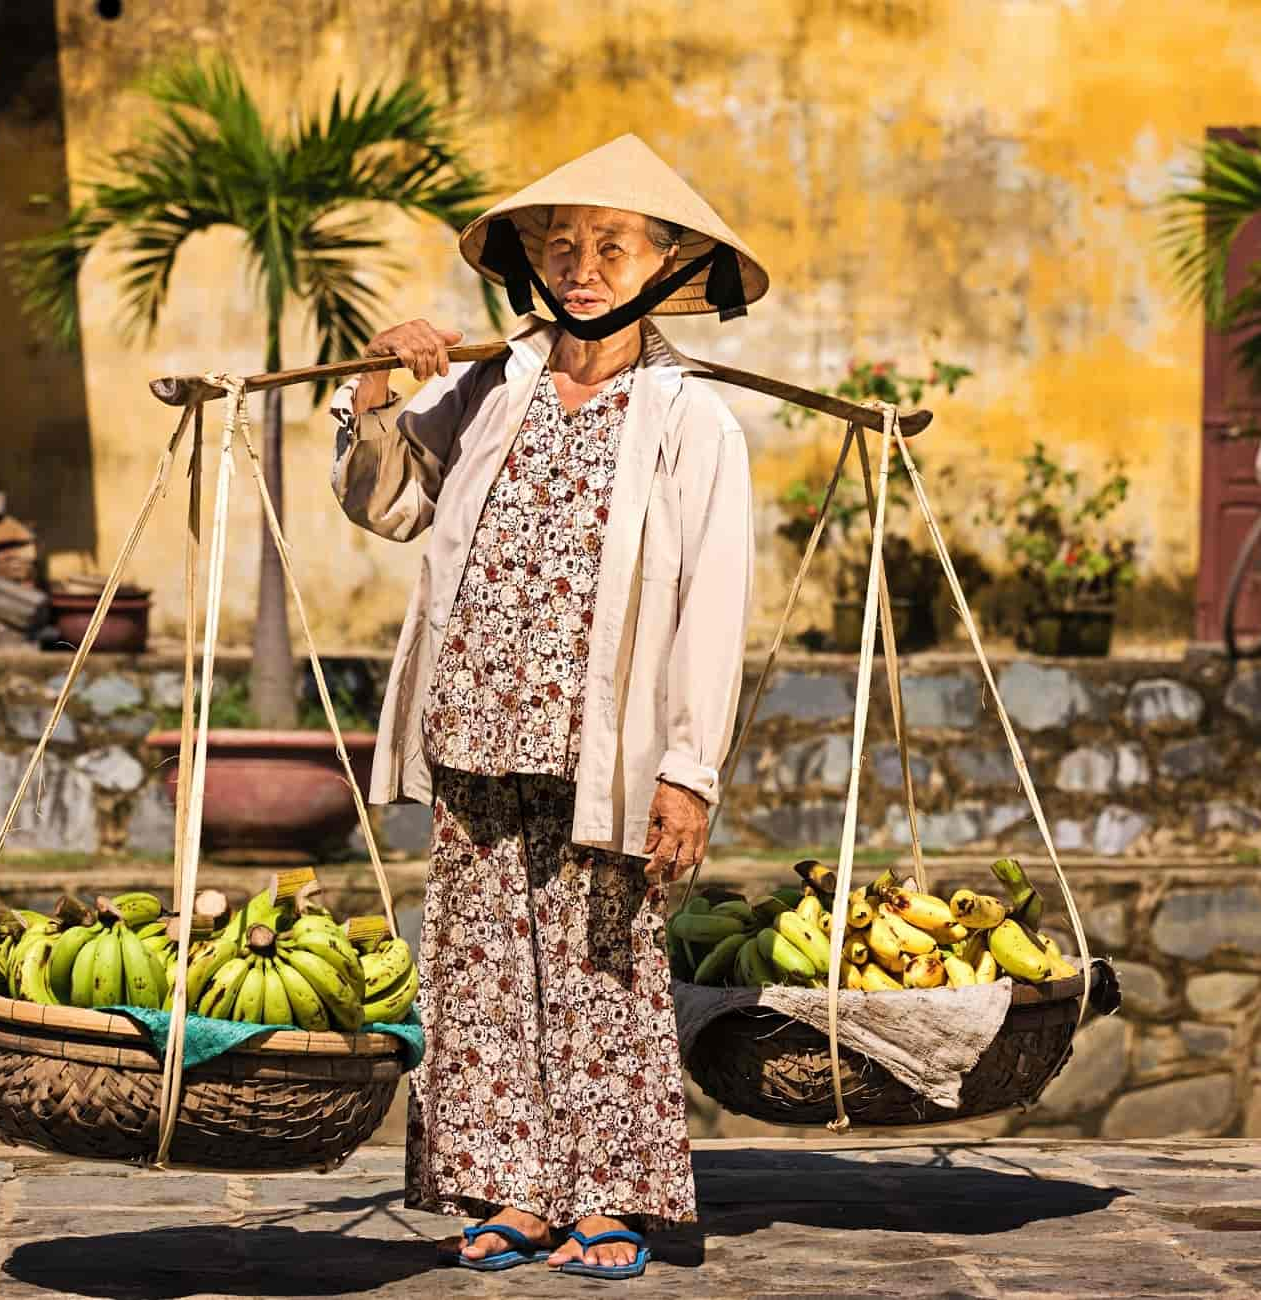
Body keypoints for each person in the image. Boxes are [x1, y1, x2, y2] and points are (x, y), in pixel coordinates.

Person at [327, 135, 764, 1280]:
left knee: (600, 967)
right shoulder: (487, 385)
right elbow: (386, 502)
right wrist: (379, 384)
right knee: (477, 965)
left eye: (612, 247)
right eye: (559, 245)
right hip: (475, 723)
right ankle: (507, 1189)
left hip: (602, 742)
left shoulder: (688, 419)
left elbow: (712, 608)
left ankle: (605, 1192)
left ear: (667, 263)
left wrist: (688, 768)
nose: (580, 268)